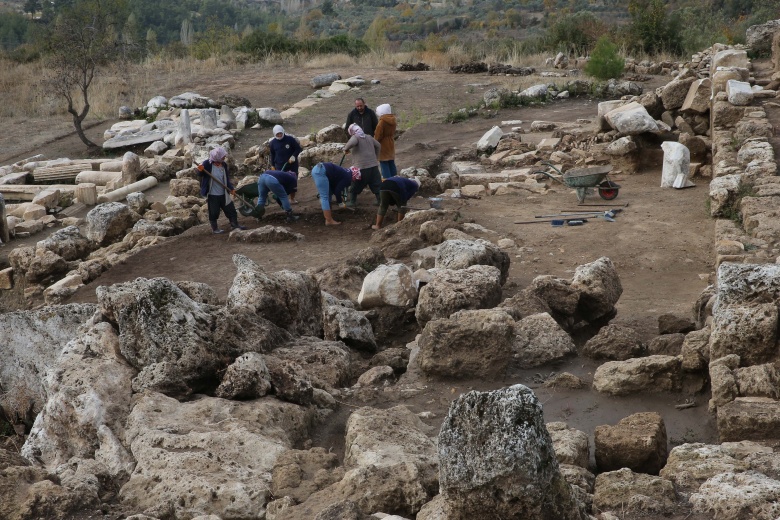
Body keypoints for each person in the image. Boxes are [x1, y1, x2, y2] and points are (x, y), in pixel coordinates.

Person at [197, 147, 246, 234]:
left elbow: (226, 179)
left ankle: (235, 224)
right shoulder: (207, 164)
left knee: (231, 209)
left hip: (223, 192)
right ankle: (215, 229)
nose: (224, 158)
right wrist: (200, 170)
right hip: (212, 194)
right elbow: (200, 174)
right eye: (223, 156)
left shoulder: (224, 165)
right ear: (217, 156)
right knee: (214, 212)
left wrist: (231, 189)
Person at [343, 123, 381, 207]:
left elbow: (350, 144)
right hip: (373, 166)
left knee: (356, 184)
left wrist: (346, 149)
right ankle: (380, 201)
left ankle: (352, 202)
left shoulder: (356, 137)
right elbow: (378, 145)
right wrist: (376, 157)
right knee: (376, 183)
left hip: (362, 167)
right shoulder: (369, 137)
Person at [374, 103, 397, 179]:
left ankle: (387, 181)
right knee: (391, 162)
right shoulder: (393, 119)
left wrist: (374, 142)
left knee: (384, 163)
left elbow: (378, 135)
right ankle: (395, 178)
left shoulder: (382, 122)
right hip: (390, 142)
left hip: (383, 144)